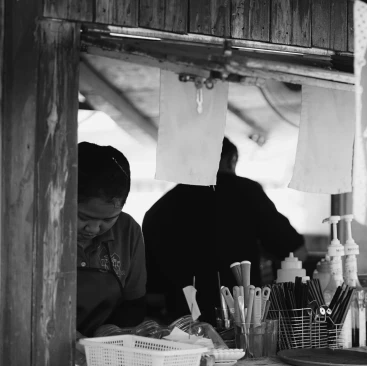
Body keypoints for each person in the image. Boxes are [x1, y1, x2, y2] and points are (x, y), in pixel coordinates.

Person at [143, 136, 306, 323]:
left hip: (181, 327)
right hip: (242, 324)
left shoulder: (159, 210)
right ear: (231, 160)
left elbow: (150, 292)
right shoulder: (246, 192)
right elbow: (298, 252)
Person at [76, 142, 147, 338]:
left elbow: (134, 303)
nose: (93, 228)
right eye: (83, 217)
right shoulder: (40, 232)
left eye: (108, 219)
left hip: (102, 352)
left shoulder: (128, 231)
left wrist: (110, 331)